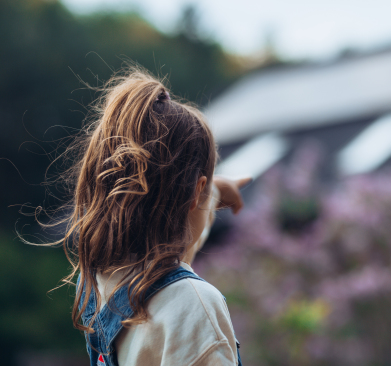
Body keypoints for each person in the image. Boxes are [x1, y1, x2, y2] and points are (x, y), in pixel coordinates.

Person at [54, 67, 250, 366]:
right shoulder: (193, 305)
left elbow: (177, 253)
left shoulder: (95, 281)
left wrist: (213, 189)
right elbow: (180, 267)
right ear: (196, 191)